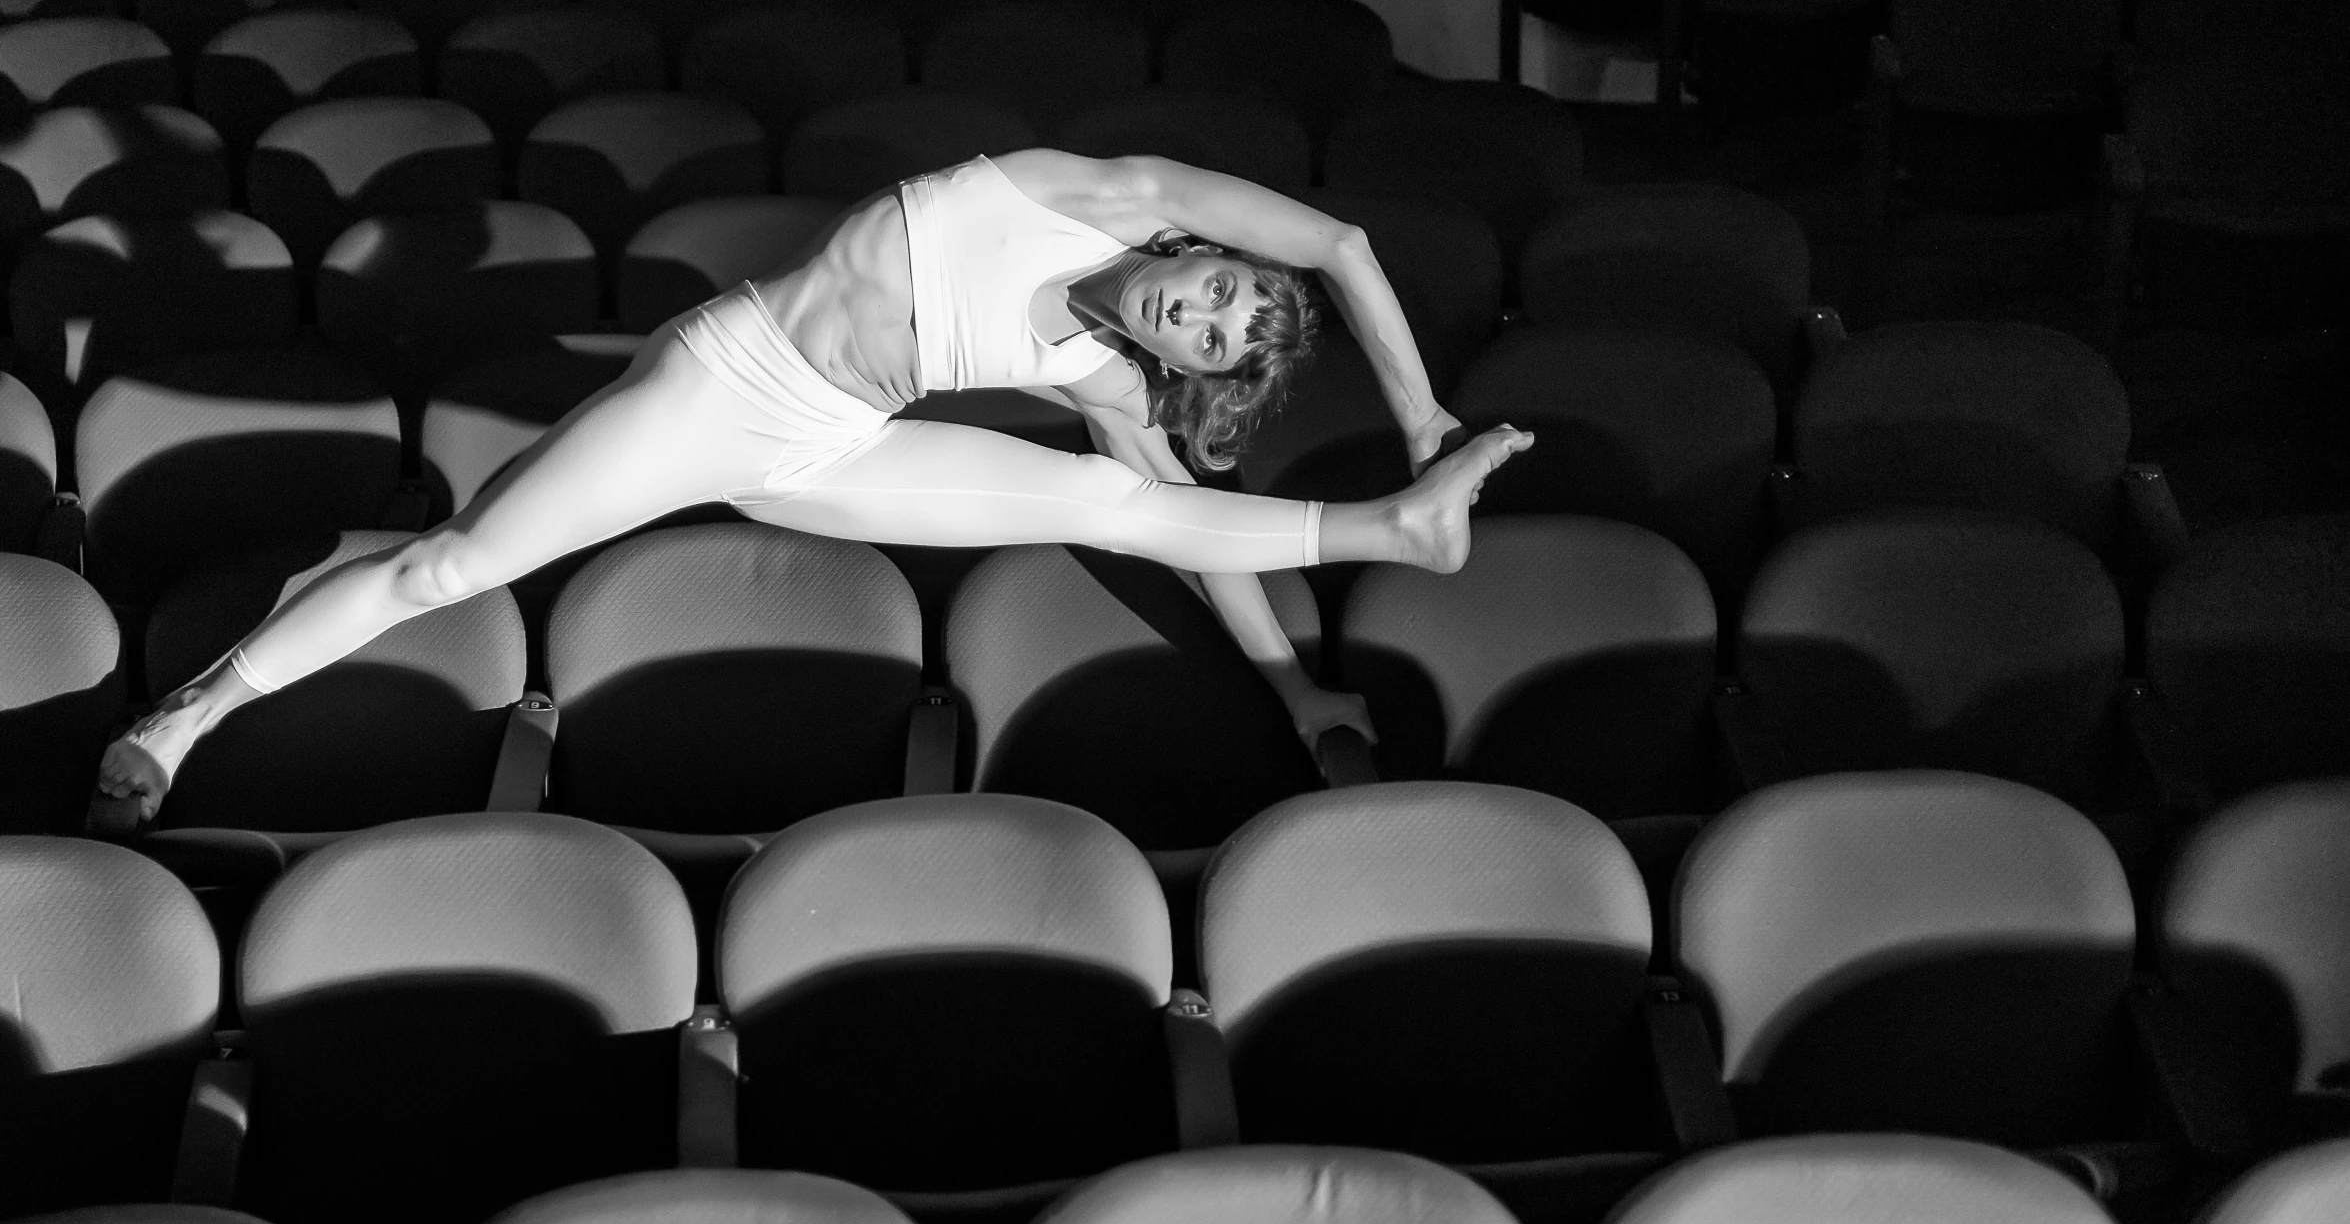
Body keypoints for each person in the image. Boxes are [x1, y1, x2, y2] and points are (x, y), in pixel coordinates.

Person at [95, 151, 1532, 822]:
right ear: (1193, 247)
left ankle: (1393, 533)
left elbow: (1183, 532)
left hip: (835, 451)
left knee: (1106, 499)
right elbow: (1339, 237)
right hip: (726, 381)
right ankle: (194, 712)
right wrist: (1420, 407)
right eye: (1215, 295)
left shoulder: (1098, 372)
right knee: (454, 566)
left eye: (1213, 345)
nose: (1195, 325)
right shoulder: (1091, 187)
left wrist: (1293, 691)